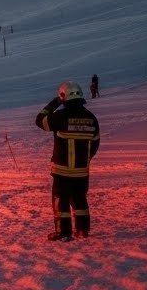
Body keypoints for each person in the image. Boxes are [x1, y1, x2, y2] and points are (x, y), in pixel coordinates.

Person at [35, 80, 101, 241]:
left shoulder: (61, 116)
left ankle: (63, 232)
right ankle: (82, 230)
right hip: (81, 171)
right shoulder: (91, 118)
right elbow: (95, 143)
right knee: (80, 199)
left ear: (63, 96)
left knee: (60, 200)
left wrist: (54, 103)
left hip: (62, 170)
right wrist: (85, 160)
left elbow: (40, 120)